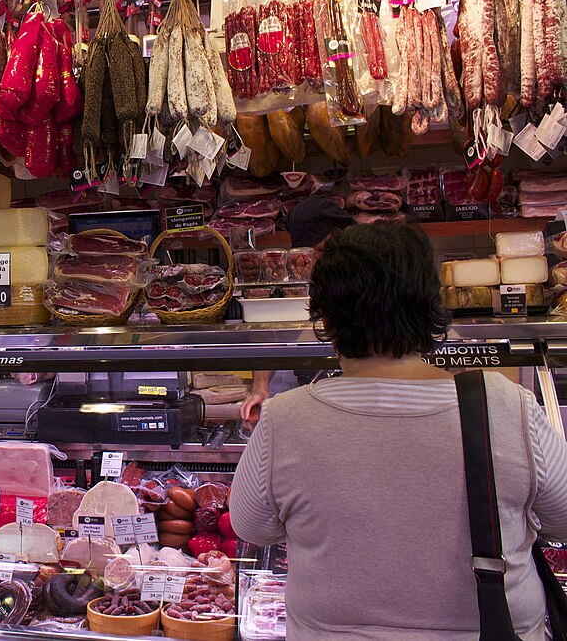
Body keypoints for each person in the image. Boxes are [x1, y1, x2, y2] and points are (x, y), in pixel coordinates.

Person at [230, 223, 567, 640]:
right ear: (431, 306)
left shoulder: (285, 419)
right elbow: (562, 520)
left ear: (325, 317)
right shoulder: (506, 405)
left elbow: (252, 528)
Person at [239, 196, 355, 422]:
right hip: (307, 394)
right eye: (307, 254)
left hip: (355, 397)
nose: (314, 261)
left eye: (322, 250)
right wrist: (260, 387)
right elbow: (271, 339)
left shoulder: (363, 281)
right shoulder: (292, 283)